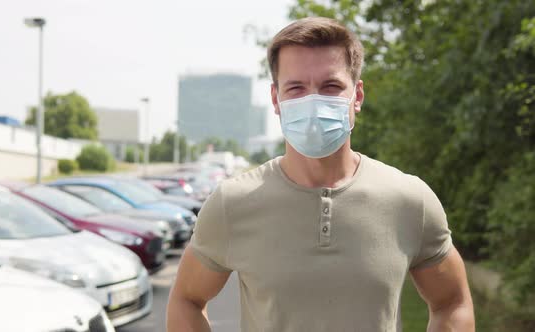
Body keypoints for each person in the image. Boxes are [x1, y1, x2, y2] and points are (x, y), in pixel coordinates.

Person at [167, 17, 475, 332]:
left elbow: (452, 302)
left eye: (331, 86)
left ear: (357, 96)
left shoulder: (409, 199)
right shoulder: (232, 203)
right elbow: (186, 300)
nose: (312, 102)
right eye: (296, 88)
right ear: (276, 99)